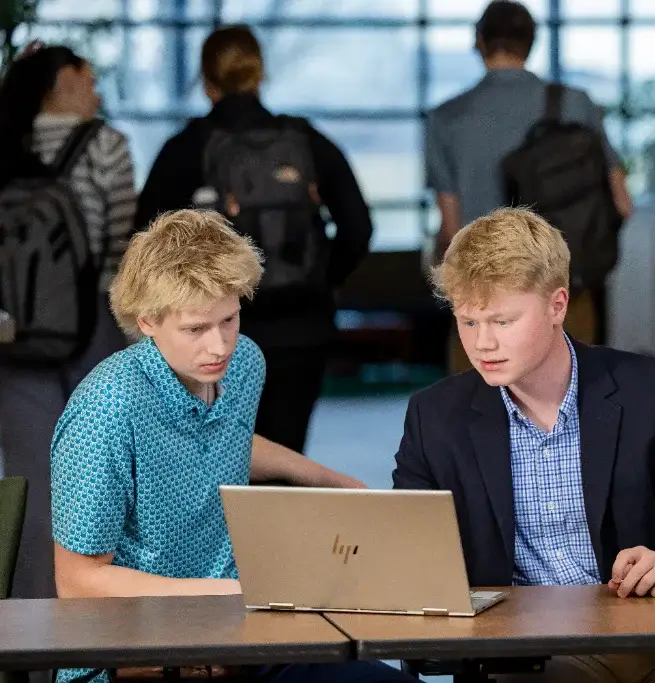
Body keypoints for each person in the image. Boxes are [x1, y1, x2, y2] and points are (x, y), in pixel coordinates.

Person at [392, 208, 655, 683]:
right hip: (523, 650)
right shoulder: (435, 418)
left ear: (558, 305)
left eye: (502, 321)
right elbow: (409, 554)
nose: (483, 343)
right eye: (468, 323)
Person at [50, 209, 411, 683]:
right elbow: (77, 582)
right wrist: (230, 591)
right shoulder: (107, 408)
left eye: (230, 318)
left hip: (238, 633)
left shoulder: (243, 363)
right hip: (134, 650)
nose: (219, 345)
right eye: (196, 329)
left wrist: (326, 477)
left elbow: (223, 439)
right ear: (147, 322)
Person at [135, 24, 373, 453]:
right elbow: (358, 227)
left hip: (213, 332)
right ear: (259, 74)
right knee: (285, 455)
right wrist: (319, 279)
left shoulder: (187, 149)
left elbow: (146, 242)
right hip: (302, 327)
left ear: (207, 83)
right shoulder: (306, 142)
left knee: (215, 459)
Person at [424, 0, 631, 370]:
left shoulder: (446, 118)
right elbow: (621, 205)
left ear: (479, 42)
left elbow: (452, 230)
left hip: (483, 304)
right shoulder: (575, 104)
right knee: (569, 418)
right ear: (532, 43)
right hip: (562, 296)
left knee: (479, 421)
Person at [0, 42, 136, 600]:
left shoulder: (7, 139)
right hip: (94, 330)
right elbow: (120, 252)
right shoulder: (106, 145)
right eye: (89, 76)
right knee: (99, 477)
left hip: (16, 336)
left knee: (29, 480)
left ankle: (26, 632)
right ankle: (94, 623)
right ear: (65, 80)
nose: (98, 88)